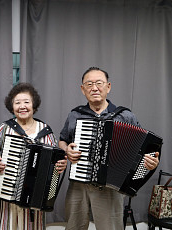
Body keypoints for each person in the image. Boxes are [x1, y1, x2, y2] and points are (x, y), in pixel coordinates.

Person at [58, 67, 160, 230]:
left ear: (108, 86)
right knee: (73, 227)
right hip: (78, 185)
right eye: (89, 84)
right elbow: (62, 140)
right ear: (83, 89)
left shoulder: (125, 116)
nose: (94, 88)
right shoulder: (75, 114)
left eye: (99, 83)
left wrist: (150, 163)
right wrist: (66, 150)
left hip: (109, 188)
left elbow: (145, 147)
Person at [0, 82, 67, 230]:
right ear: (12, 107)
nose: (22, 106)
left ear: (34, 105)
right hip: (9, 192)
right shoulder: (5, 128)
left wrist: (60, 165)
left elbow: (55, 159)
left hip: (36, 197)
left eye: (26, 102)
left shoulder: (45, 130)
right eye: (17, 103)